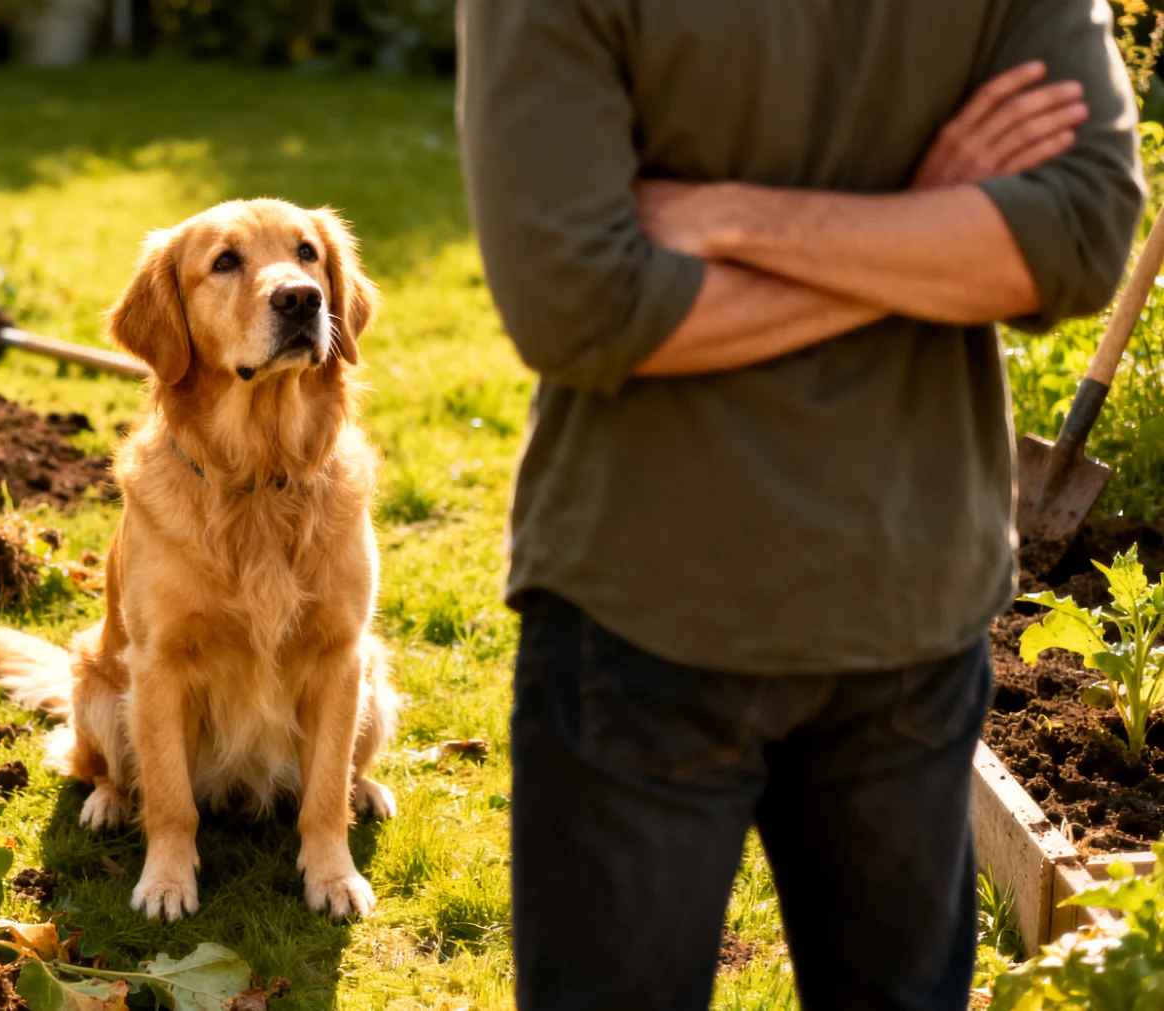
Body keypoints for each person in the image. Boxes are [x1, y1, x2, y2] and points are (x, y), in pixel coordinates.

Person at [456, 1, 1145, 1009]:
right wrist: (924, 217)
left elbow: (1082, 235)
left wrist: (738, 216)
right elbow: (576, 302)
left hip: (817, 612)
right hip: (689, 612)